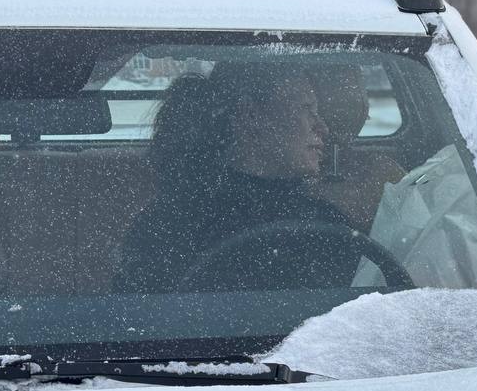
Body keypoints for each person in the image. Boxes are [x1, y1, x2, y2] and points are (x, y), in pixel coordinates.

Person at [116, 63, 354, 292]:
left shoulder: (167, 223)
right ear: (251, 116)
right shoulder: (169, 228)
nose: (323, 128)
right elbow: (139, 324)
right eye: (307, 109)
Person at [303, 64, 406, 231]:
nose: (353, 96)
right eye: (336, 82)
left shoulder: (383, 172)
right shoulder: (286, 181)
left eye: (357, 81)